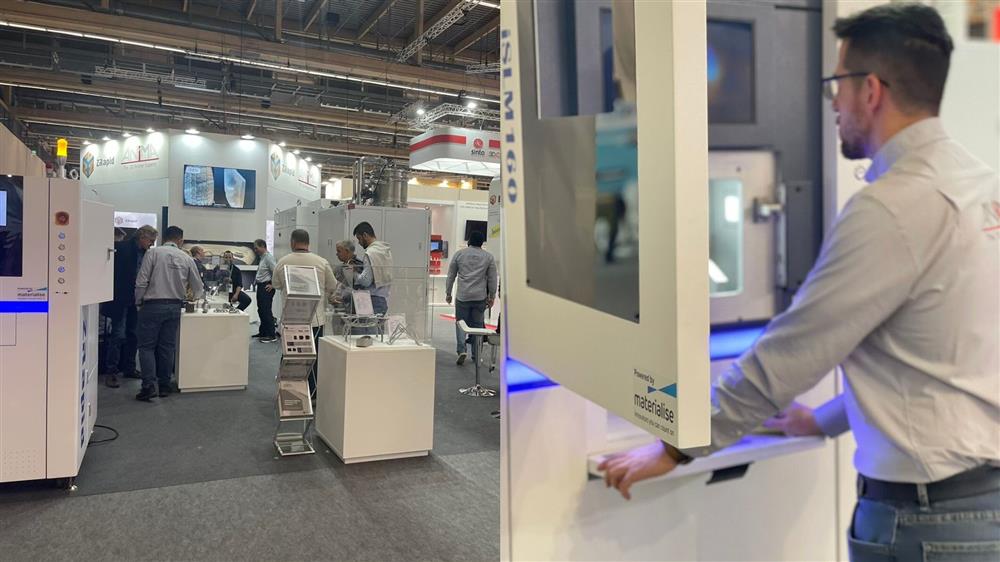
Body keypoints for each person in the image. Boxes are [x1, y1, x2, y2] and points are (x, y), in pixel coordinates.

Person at [599, 5, 999, 559]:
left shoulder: (892, 209)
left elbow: (792, 352)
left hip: (927, 522)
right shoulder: (981, 185)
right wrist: (824, 420)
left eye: (837, 84)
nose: (833, 102)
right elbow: (936, 350)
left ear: (870, 90)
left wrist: (678, 445)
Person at [134, 225, 204, 401]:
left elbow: (141, 281)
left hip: (152, 305)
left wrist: (138, 302)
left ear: (164, 238)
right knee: (167, 347)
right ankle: (164, 385)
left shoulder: (153, 253)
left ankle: (148, 386)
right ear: (180, 240)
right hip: (174, 306)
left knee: (146, 347)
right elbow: (198, 287)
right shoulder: (186, 257)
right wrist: (193, 299)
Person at [272, 229, 337, 392]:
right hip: (315, 320)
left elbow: (276, 284)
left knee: (290, 355)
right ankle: (312, 392)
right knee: (313, 357)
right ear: (308, 243)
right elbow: (333, 285)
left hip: (291, 319)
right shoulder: (321, 262)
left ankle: (287, 390)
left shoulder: (283, 262)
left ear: (293, 242)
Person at [102, 224, 158, 388]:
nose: (152, 244)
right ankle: (111, 372)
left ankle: (129, 367)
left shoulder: (147, 254)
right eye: (151, 240)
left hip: (136, 299)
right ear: (142, 237)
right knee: (118, 335)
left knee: (133, 335)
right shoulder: (121, 249)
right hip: (121, 298)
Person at [445, 230, 498, 366]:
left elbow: (451, 276)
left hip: (463, 296)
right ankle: (476, 355)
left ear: (469, 241)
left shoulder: (459, 254)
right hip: (479, 297)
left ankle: (461, 350)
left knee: (460, 323)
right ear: (482, 243)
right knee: (477, 326)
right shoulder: (488, 257)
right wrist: (492, 296)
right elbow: (492, 279)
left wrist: (448, 293)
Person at [353, 221, 393, 315]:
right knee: (379, 325)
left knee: (369, 325)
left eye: (359, 238)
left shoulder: (370, 253)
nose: (359, 242)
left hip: (372, 300)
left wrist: (353, 273)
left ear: (365, 235)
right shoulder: (385, 250)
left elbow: (366, 281)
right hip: (383, 300)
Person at [252, 239, 277, 342]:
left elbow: (276, 271)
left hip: (266, 287)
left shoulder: (269, 258)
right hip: (261, 287)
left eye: (256, 248)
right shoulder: (262, 258)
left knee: (266, 310)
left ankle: (271, 335)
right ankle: (263, 332)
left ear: (263, 246)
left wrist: (273, 285)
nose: (255, 250)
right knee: (261, 310)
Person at [332, 240, 364, 313]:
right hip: (340, 307)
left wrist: (343, 295)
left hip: (355, 307)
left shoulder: (359, 267)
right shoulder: (339, 268)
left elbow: (360, 289)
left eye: (339, 251)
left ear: (347, 251)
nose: (336, 254)